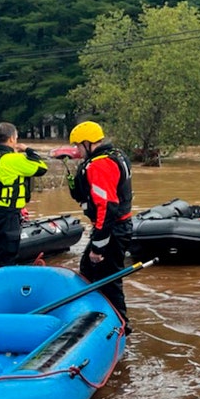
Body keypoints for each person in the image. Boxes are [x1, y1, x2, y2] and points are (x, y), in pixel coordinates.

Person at [68, 121, 134, 330]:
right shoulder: (115, 154)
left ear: (88, 143)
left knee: (108, 279)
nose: (77, 150)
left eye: (78, 146)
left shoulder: (100, 165)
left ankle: (120, 326)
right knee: (88, 269)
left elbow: (106, 207)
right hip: (115, 227)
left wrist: (98, 246)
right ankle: (98, 316)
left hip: (112, 229)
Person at [0, 122, 48, 272]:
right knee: (7, 259)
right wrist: (26, 149)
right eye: (16, 137)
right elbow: (42, 167)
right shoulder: (13, 160)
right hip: (6, 217)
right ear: (11, 139)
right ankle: (6, 290)